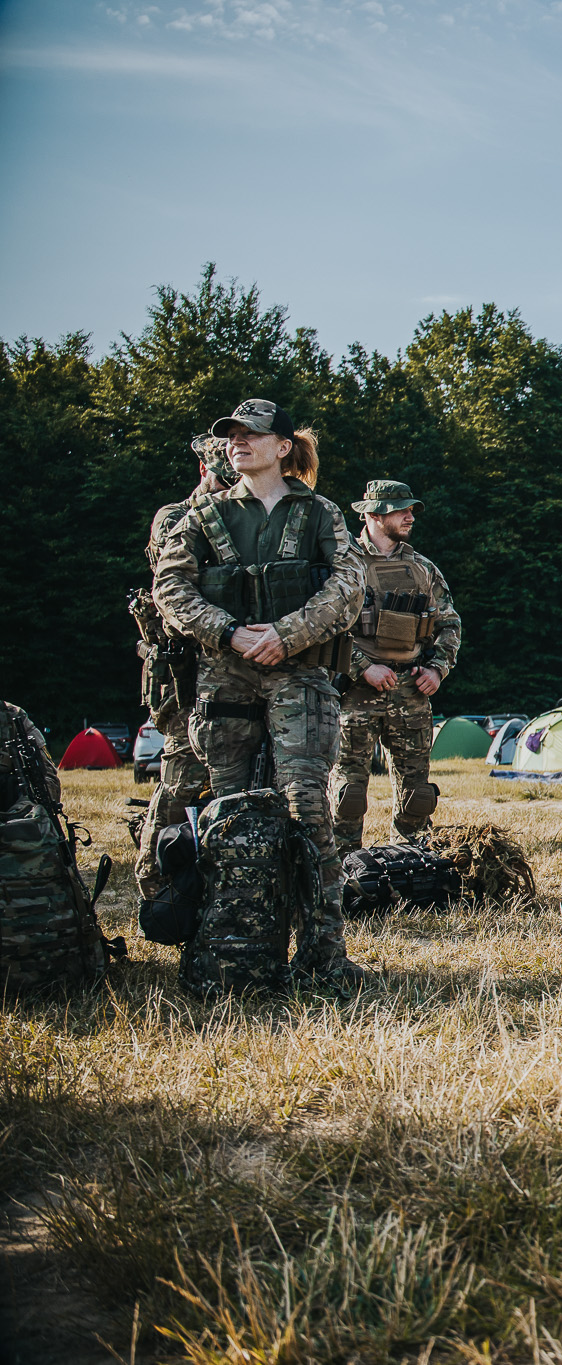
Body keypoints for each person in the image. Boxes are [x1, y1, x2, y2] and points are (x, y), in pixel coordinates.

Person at [152, 398, 367, 988]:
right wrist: (227, 631)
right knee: (225, 812)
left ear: (281, 448)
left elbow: (350, 586)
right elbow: (169, 587)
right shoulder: (202, 517)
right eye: (231, 435)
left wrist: (286, 633)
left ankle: (323, 958)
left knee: (307, 808)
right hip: (227, 675)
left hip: (299, 672)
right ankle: (232, 952)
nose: (237, 442)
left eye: (252, 435)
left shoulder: (320, 513)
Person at [329, 481, 463, 853]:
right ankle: (344, 870)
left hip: (410, 691)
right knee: (348, 794)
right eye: (400, 510)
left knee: (418, 793)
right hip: (356, 694)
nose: (409, 516)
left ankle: (410, 862)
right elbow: (322, 628)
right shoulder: (343, 566)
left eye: (411, 510)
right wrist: (361, 668)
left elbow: (449, 624)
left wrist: (437, 669)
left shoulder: (422, 568)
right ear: (372, 515)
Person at [132, 435, 232, 902]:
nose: (230, 487)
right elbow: (179, 593)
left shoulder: (248, 517)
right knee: (182, 779)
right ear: (203, 472)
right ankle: (155, 883)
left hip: (232, 669)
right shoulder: (177, 519)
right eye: (222, 478)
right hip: (183, 674)